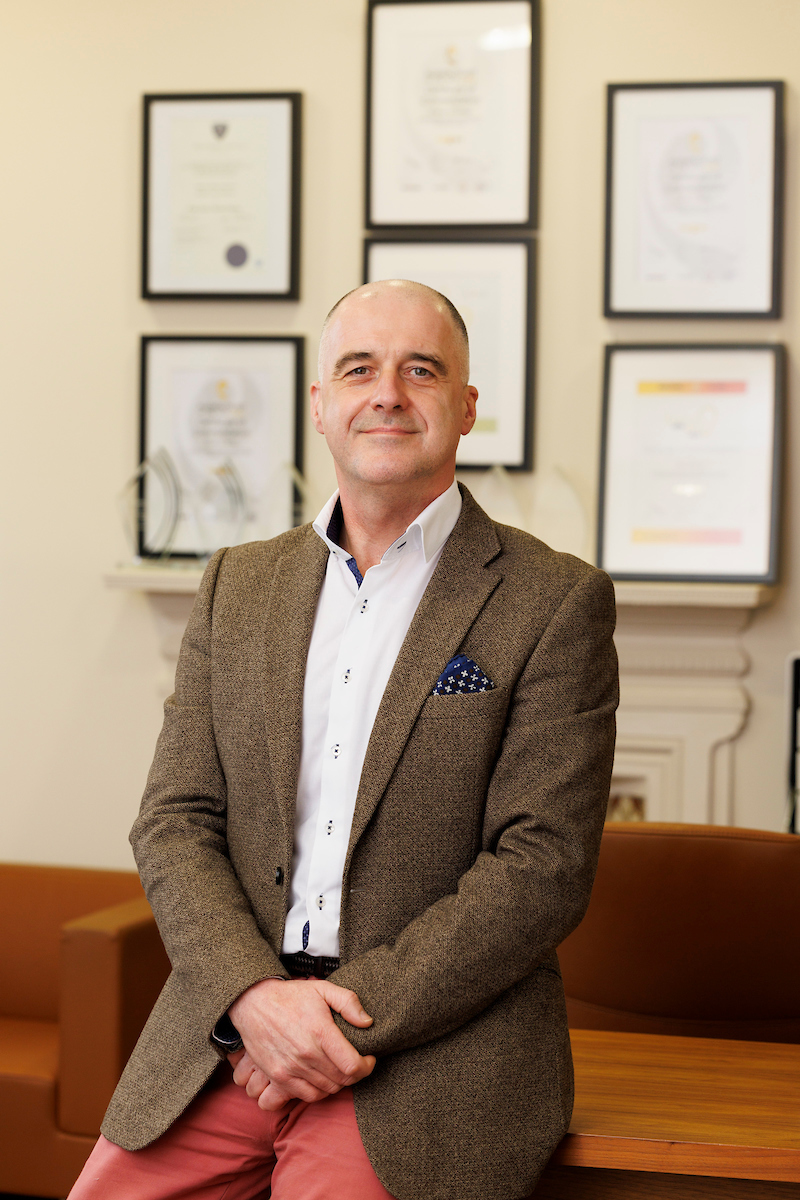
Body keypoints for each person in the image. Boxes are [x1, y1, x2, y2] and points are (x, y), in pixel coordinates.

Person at [69, 280, 618, 1200]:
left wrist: (333, 1028)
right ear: (320, 404)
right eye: (359, 369)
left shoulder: (552, 600)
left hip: (430, 1051)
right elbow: (173, 821)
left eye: (422, 370)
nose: (388, 393)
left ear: (467, 406)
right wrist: (254, 999)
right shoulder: (235, 586)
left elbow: (542, 866)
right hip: (230, 1037)